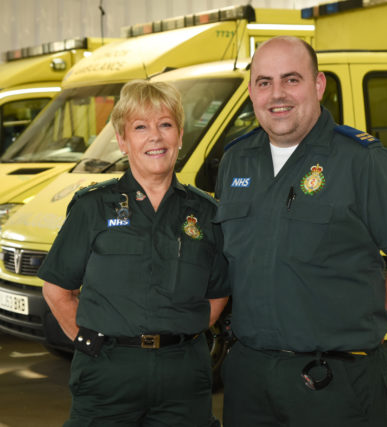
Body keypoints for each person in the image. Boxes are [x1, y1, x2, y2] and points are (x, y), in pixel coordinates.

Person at [215, 36, 387, 427]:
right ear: (251, 92)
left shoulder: (364, 162)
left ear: (318, 86)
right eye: (264, 82)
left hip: (334, 383)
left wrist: (367, 331)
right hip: (249, 378)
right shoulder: (235, 161)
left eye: (291, 80)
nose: (277, 94)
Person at [39, 79, 230, 427]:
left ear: (180, 136)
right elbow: (56, 289)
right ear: (123, 141)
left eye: (165, 124)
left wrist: (185, 336)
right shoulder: (92, 207)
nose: (155, 136)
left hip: (183, 377)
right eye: (141, 127)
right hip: (108, 374)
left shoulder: (205, 212)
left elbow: (218, 292)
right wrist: (88, 344)